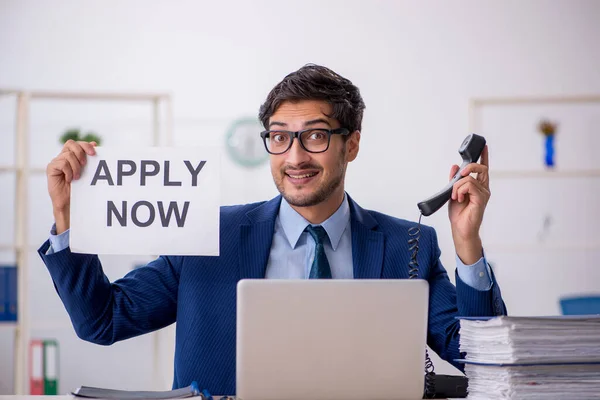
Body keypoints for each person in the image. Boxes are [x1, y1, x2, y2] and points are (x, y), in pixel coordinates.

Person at [38, 64, 506, 395]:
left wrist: (467, 243)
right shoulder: (207, 234)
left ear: (353, 144)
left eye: (316, 136)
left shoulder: (411, 244)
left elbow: (482, 364)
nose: (295, 157)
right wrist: (67, 218)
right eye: (280, 136)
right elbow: (102, 320)